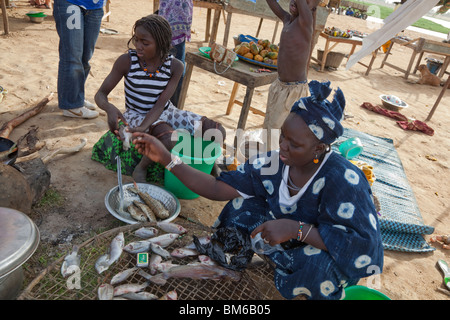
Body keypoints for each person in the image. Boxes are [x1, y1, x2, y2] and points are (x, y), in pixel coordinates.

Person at [131, 81, 384, 300]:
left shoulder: (344, 180)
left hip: (327, 250)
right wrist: (167, 159)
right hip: (286, 236)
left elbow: (362, 246)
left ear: (318, 149)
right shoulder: (274, 163)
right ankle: (240, 264)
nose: (283, 147)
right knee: (241, 207)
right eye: (283, 136)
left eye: (294, 144)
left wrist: (296, 229)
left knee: (317, 267)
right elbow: (217, 187)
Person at [93, 14, 225, 183]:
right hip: (137, 113)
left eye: (145, 43)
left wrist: (143, 128)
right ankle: (141, 168)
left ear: (161, 44)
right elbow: (100, 94)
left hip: (165, 111)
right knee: (169, 139)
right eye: (136, 40)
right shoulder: (127, 61)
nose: (138, 46)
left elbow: (161, 104)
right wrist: (109, 108)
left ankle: (209, 161)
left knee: (217, 131)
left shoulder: (175, 67)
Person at [262, 0, 321, 150]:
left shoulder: (306, 21)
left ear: (312, 8)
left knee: (278, 132)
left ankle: (275, 166)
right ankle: (268, 163)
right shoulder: (287, 19)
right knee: (269, 127)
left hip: (293, 91)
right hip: (279, 86)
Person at [54, 0, 104, 119]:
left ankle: (76, 97)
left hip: (95, 5)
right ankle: (72, 105)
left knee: (86, 56)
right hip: (70, 3)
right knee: (72, 56)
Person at [157, 0, 193, 106]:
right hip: (171, 19)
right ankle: (169, 104)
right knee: (169, 63)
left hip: (175, 20)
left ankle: (172, 105)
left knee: (174, 66)